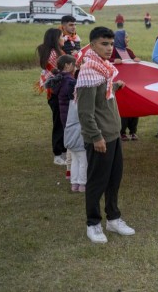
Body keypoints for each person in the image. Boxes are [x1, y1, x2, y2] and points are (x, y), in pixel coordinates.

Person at [76, 26, 134, 244]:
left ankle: (113, 218)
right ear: (92, 45)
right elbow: (85, 112)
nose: (109, 48)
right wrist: (96, 137)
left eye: (111, 44)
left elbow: (101, 98)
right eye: (104, 44)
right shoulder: (89, 72)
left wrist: (115, 87)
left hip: (113, 135)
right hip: (100, 137)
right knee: (97, 182)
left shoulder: (103, 69)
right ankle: (93, 223)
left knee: (113, 180)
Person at [50, 54, 87, 192]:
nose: (76, 66)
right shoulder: (70, 82)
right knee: (82, 156)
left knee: (73, 152)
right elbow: (78, 97)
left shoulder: (59, 81)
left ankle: (73, 181)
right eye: (74, 64)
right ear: (67, 65)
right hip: (75, 120)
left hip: (67, 121)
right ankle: (82, 184)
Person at [36, 28, 67, 166]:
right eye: (62, 36)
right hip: (56, 92)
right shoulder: (54, 54)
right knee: (59, 122)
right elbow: (56, 70)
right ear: (55, 38)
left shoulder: (55, 52)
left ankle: (64, 151)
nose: (64, 38)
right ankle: (58, 154)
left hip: (60, 91)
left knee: (63, 122)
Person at [111, 29, 141, 141]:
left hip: (132, 85)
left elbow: (133, 60)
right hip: (120, 86)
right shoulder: (113, 50)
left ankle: (133, 131)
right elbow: (106, 60)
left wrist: (136, 60)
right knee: (122, 108)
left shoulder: (129, 51)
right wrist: (114, 60)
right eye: (126, 37)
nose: (128, 39)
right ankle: (122, 132)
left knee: (134, 107)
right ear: (119, 38)